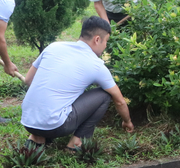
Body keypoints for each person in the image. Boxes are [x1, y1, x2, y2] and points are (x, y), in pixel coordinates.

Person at [21, 16, 134, 150]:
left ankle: (36, 138)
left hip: (27, 121)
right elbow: (120, 101)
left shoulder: (54, 47)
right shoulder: (96, 65)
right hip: (57, 126)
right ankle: (77, 142)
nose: (105, 47)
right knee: (104, 95)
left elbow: (28, 80)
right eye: (106, 42)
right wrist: (127, 122)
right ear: (97, 39)